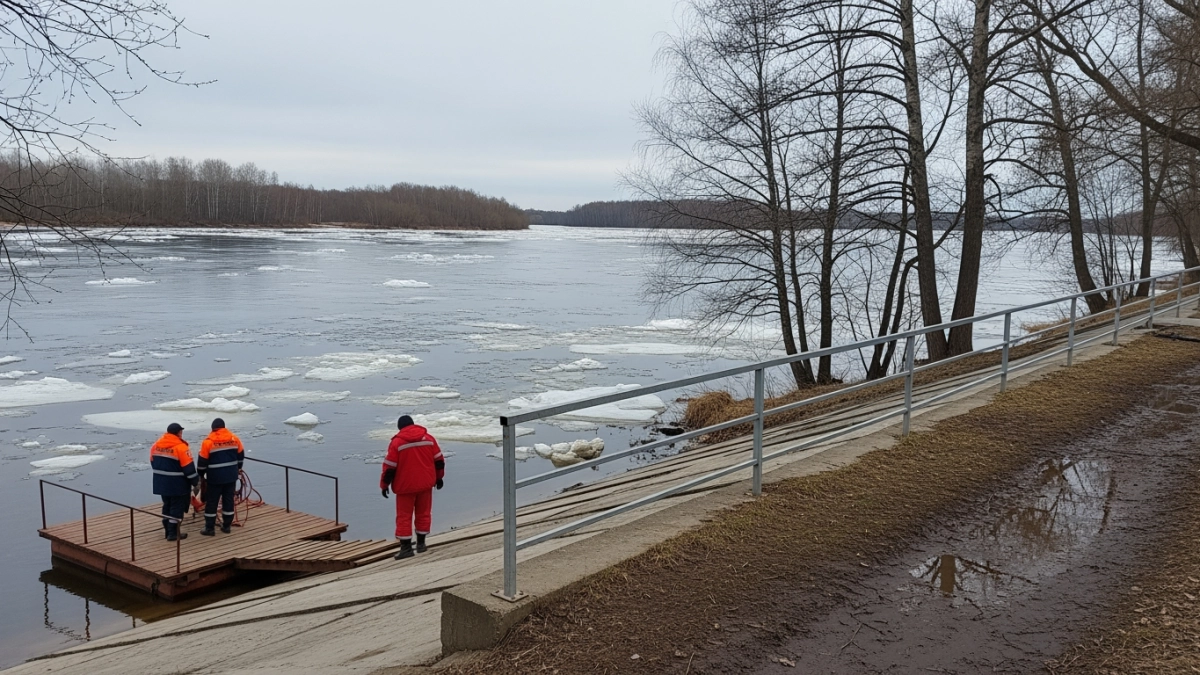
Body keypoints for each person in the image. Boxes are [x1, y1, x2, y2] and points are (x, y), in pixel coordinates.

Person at [380, 415, 445, 559]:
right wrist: (439, 478)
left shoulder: (397, 443)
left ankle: (406, 548)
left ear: (400, 427)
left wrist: (384, 485)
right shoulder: (429, 439)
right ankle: (421, 544)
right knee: (424, 513)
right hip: (426, 484)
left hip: (405, 487)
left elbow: (389, 468)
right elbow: (439, 461)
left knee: (404, 516)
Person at [150, 422, 199, 541]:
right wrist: (196, 482)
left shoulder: (156, 445)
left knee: (167, 505)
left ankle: (167, 531)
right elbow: (189, 469)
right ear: (179, 433)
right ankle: (173, 534)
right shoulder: (181, 447)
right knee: (176, 508)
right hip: (178, 485)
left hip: (161, 483)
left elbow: (152, 461)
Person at [198, 417, 244, 535]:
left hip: (215, 478)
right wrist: (238, 468)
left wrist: (201, 475)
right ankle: (227, 526)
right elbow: (240, 455)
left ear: (213, 428)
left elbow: (202, 462)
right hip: (231, 476)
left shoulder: (208, 442)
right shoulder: (234, 439)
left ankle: (209, 528)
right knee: (228, 500)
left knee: (212, 502)